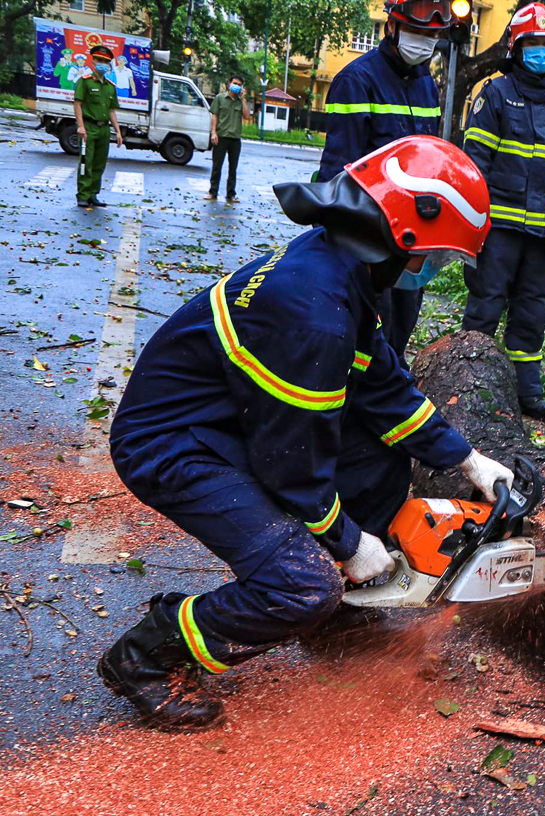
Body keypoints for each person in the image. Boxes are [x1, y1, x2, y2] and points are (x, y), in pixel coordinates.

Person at [98, 135, 511, 732]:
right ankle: (147, 654)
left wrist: (469, 460)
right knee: (303, 584)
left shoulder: (338, 266)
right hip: (172, 443)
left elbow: (383, 389)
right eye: (435, 257)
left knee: (379, 461)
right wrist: (348, 542)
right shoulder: (312, 313)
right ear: (402, 234)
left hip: (233, 422)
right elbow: (293, 461)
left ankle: (341, 617)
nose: (429, 270)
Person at [461, 3, 545, 423]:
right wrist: (469, 222)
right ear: (516, 49)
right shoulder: (496, 95)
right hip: (497, 230)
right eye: (532, 45)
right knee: (484, 308)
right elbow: (474, 163)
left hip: (544, 238)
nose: (540, 53)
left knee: (533, 313)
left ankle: (527, 395)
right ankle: (469, 390)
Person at [317, 0, 452, 365]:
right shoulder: (356, 80)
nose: (424, 42)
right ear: (392, 27)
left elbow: (430, 159)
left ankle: (387, 395)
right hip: (370, 234)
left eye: (431, 35)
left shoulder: (427, 84)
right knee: (367, 334)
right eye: (417, 32)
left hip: (412, 236)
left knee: (401, 328)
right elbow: (337, 168)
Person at [74, 44, 124, 209]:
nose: (102, 63)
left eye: (105, 61)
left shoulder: (110, 86)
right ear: (93, 61)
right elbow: (78, 104)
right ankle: (83, 194)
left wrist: (117, 132)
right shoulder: (85, 82)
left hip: (104, 129)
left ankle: (93, 194)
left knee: (99, 163)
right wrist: (80, 126)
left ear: (109, 64)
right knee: (86, 162)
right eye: (99, 60)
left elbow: (111, 111)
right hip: (89, 127)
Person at [207, 75, 250, 203]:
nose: (237, 86)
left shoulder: (240, 101)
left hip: (235, 139)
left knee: (233, 168)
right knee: (216, 166)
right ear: (229, 83)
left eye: (239, 84)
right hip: (221, 137)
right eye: (235, 83)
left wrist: (243, 100)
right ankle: (212, 192)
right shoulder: (220, 98)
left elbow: (247, 116)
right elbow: (215, 116)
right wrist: (213, 133)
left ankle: (230, 194)